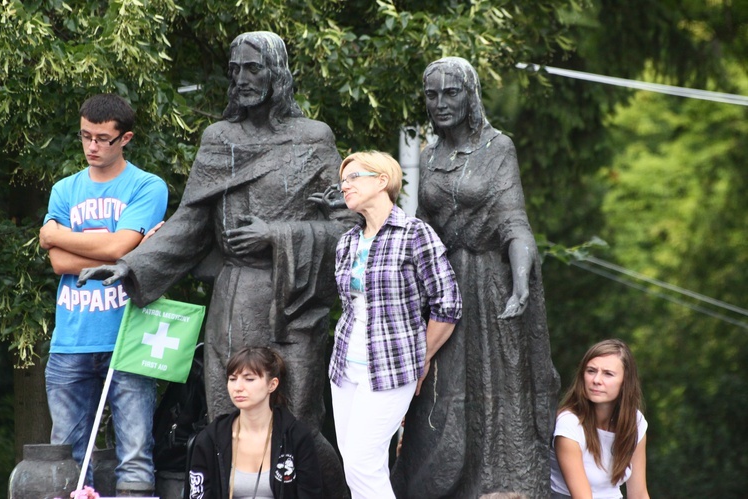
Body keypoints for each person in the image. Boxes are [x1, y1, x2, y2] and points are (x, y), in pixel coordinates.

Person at [77, 31, 349, 498]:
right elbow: (191, 222)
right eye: (235, 69)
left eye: (253, 68)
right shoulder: (218, 139)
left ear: (277, 73)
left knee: (299, 420)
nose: (241, 78)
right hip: (236, 298)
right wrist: (132, 265)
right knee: (229, 415)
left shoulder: (313, 139)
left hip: (294, 302)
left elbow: (346, 228)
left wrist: (278, 235)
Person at [391, 57, 560, 498]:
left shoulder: (498, 147)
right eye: (432, 95)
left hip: (487, 284)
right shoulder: (428, 157)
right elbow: (422, 231)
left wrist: (521, 278)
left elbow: (513, 222)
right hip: (441, 290)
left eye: (451, 93)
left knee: (495, 387)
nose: (440, 103)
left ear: (471, 95)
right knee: (440, 390)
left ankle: (501, 486)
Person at [39, 93, 168, 496]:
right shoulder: (64, 188)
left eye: (102, 138)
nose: (92, 146)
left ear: (125, 138)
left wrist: (59, 236)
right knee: (69, 458)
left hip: (128, 336)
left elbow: (117, 249)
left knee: (135, 455)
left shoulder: (147, 186)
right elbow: (58, 263)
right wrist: (115, 247)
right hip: (70, 340)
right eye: (85, 136)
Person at [329, 151, 462, 499]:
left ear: (382, 181)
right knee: (355, 463)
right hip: (344, 368)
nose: (345, 186)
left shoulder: (415, 234)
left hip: (391, 368)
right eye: (342, 180)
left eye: (353, 177)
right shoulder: (347, 242)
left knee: (361, 461)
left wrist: (423, 356)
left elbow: (448, 304)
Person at [188, 346, 322, 499]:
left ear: (272, 384)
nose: (238, 387)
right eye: (232, 379)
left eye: (249, 379)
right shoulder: (211, 438)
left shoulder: (295, 436)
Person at [549, 339, 649, 499]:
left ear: (625, 383)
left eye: (608, 374)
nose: (596, 380)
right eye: (591, 371)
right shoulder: (569, 424)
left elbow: (639, 494)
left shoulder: (635, 422)